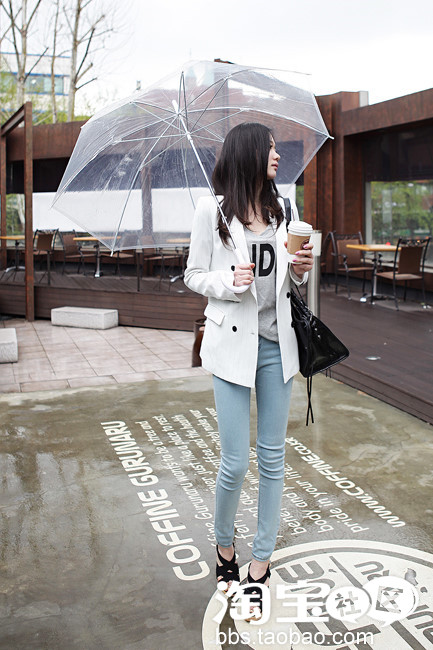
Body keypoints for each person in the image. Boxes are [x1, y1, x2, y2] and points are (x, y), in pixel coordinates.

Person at [184, 122, 313, 619]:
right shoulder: (211, 211)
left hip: (278, 346)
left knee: (273, 459)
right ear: (249, 153)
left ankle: (260, 564)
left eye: (278, 149)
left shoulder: (285, 211)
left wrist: (299, 269)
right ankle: (224, 549)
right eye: (271, 148)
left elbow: (290, 280)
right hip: (231, 348)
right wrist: (227, 280)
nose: (278, 156)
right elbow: (193, 274)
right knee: (235, 463)